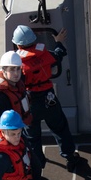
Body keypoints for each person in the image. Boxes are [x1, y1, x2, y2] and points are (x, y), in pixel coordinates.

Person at [0, 51, 64, 180]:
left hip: (18, 136)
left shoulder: (16, 84)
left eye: (18, 69)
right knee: (19, 174)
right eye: (11, 70)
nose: (15, 73)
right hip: (9, 143)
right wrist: (5, 148)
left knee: (34, 165)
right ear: (4, 71)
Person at [12, 25, 82, 172]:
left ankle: (38, 165)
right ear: (34, 40)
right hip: (49, 99)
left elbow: (15, 84)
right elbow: (59, 53)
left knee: (32, 137)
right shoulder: (46, 55)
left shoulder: (18, 66)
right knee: (60, 128)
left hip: (30, 103)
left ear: (18, 45)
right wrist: (58, 41)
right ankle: (70, 158)